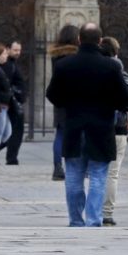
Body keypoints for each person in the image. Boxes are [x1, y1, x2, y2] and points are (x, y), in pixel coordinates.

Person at [46, 23, 128, 227]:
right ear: (100, 41)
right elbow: (126, 99)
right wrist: (111, 104)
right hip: (101, 128)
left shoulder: (65, 65)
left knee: (74, 176)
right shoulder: (111, 66)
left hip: (74, 127)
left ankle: (76, 220)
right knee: (98, 175)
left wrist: (67, 103)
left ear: (79, 40)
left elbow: (53, 95)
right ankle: (94, 220)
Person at [100, 36, 128, 227]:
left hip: (95, 125)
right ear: (116, 52)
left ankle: (91, 211)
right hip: (117, 127)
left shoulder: (94, 70)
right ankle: (106, 213)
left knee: (95, 171)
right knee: (111, 173)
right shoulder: (120, 71)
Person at [48, 25, 79, 181]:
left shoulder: (56, 57)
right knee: (79, 134)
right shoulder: (78, 56)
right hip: (76, 100)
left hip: (60, 99)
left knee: (60, 134)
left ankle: (57, 167)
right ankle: (80, 166)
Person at [3, 40, 26, 165]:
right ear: (8, 49)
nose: (18, 53)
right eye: (15, 50)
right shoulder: (8, 65)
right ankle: (11, 158)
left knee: (12, 132)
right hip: (12, 102)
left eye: (19, 50)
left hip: (14, 101)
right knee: (14, 132)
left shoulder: (12, 64)